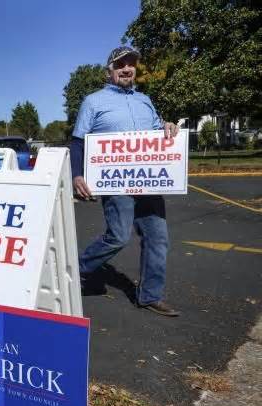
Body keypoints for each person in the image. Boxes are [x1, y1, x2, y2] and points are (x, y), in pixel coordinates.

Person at [70, 46, 180, 317]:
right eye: (120, 64)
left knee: (158, 237)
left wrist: (167, 126)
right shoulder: (93, 101)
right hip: (115, 181)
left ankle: (150, 296)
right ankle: (73, 272)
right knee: (118, 236)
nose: (126, 68)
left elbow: (157, 133)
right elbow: (77, 141)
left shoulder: (145, 100)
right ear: (110, 70)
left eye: (131, 64)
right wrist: (77, 174)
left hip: (149, 180)